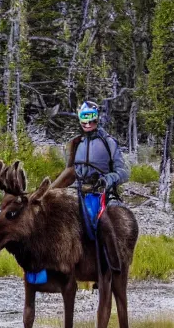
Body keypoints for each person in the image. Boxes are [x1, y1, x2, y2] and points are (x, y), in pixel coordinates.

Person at [53, 101, 130, 273]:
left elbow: (124, 172)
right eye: (84, 118)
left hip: (103, 195)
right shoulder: (75, 144)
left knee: (105, 226)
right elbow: (70, 172)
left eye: (91, 118)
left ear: (97, 118)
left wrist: (107, 179)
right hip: (80, 194)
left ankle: (111, 269)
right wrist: (50, 191)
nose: (87, 123)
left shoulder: (108, 142)